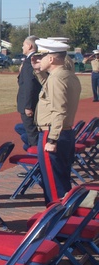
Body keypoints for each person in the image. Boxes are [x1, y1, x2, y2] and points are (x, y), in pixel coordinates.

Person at [34, 38, 82, 203]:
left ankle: (58, 222)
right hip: (64, 132)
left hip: (52, 132)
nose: (40, 59)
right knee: (61, 178)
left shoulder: (56, 78)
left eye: (43, 56)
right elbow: (50, 90)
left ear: (51, 58)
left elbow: (59, 110)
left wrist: (52, 138)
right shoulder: (66, 75)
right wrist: (39, 70)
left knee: (54, 185)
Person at [15, 36, 42, 149]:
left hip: (30, 104)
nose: (22, 47)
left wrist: (28, 106)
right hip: (35, 102)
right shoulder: (38, 59)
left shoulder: (30, 61)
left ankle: (39, 162)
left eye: (24, 45)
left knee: (32, 134)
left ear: (30, 46)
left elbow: (29, 86)